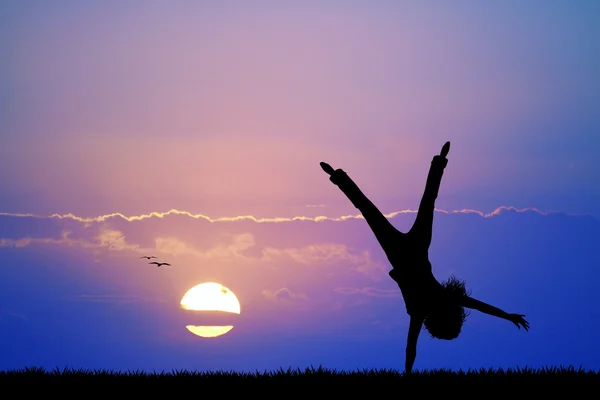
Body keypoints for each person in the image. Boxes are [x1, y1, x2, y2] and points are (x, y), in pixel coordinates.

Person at [320, 141, 529, 373]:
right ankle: (337, 174)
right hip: (405, 252)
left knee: (413, 205)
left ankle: (438, 160)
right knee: (376, 210)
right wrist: (507, 316)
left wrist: (508, 316)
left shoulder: (433, 304)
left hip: (410, 250)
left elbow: (415, 344)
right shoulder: (427, 307)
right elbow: (414, 345)